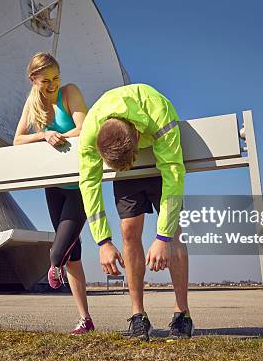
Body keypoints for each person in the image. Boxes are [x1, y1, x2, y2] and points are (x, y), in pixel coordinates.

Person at [78, 83, 192, 341]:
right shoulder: (90, 133)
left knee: (175, 232)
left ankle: (182, 313)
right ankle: (138, 315)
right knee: (128, 230)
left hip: (160, 161)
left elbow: (174, 174)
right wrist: (103, 242)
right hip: (128, 166)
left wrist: (162, 237)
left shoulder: (159, 112)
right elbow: (89, 184)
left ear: (137, 139)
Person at [14, 52, 94, 335]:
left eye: (56, 77)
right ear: (33, 80)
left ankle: (54, 265)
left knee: (57, 254)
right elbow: (18, 139)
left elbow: (84, 128)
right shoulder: (33, 103)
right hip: (54, 186)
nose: (53, 84)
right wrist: (43, 135)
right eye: (46, 80)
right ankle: (85, 319)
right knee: (73, 256)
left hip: (80, 185)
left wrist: (58, 136)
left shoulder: (69, 92)